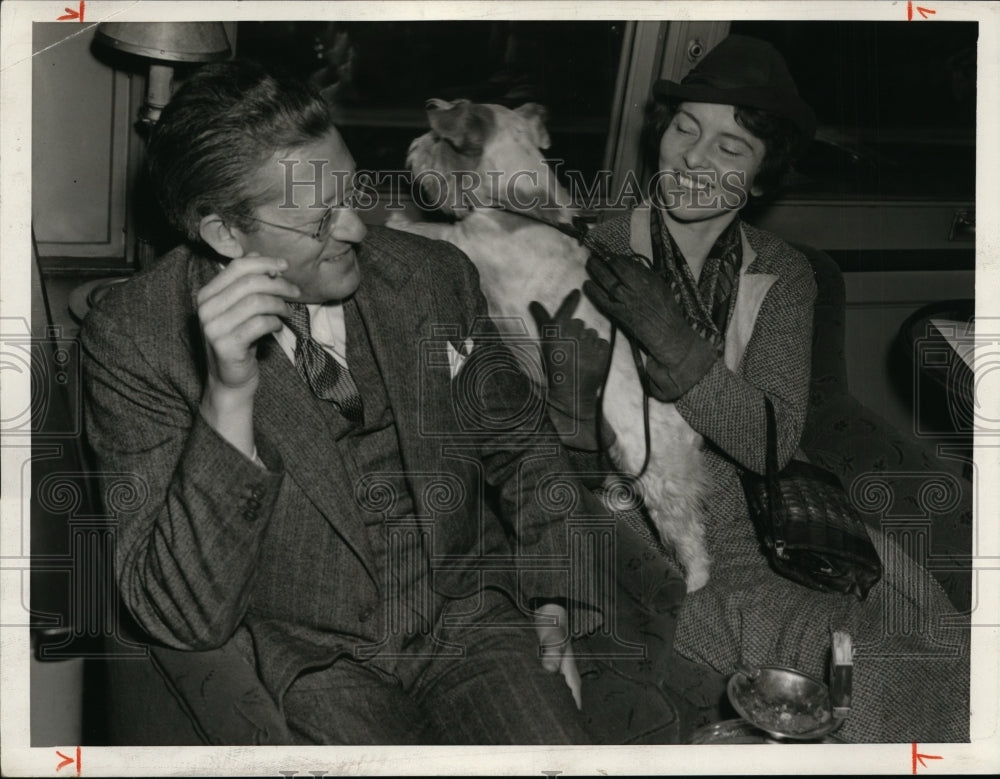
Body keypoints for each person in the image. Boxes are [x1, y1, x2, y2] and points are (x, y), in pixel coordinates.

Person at [81, 59, 606, 745]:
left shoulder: (431, 276)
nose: (358, 229)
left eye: (352, 191)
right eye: (321, 219)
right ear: (225, 235)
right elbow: (180, 614)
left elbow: (522, 443)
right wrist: (228, 396)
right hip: (315, 659)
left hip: (469, 621)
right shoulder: (135, 338)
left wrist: (554, 593)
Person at [556, 35, 969, 742]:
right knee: (870, 661)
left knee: (949, 640)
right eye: (685, 128)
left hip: (780, 516)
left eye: (729, 146)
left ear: (760, 177)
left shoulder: (782, 272)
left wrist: (678, 349)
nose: (692, 157)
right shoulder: (589, 250)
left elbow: (771, 441)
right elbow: (564, 433)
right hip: (656, 535)